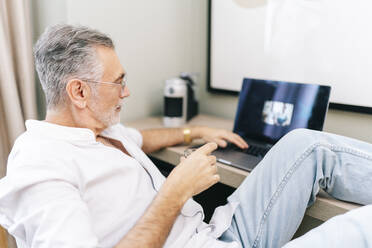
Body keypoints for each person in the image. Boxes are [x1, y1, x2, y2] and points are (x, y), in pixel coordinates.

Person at [0, 24, 371, 248]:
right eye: (118, 82)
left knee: (308, 144)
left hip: (216, 232)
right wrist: (175, 191)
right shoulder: (41, 168)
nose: (126, 92)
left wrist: (196, 130)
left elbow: (142, 139)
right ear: (79, 92)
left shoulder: (99, 131)